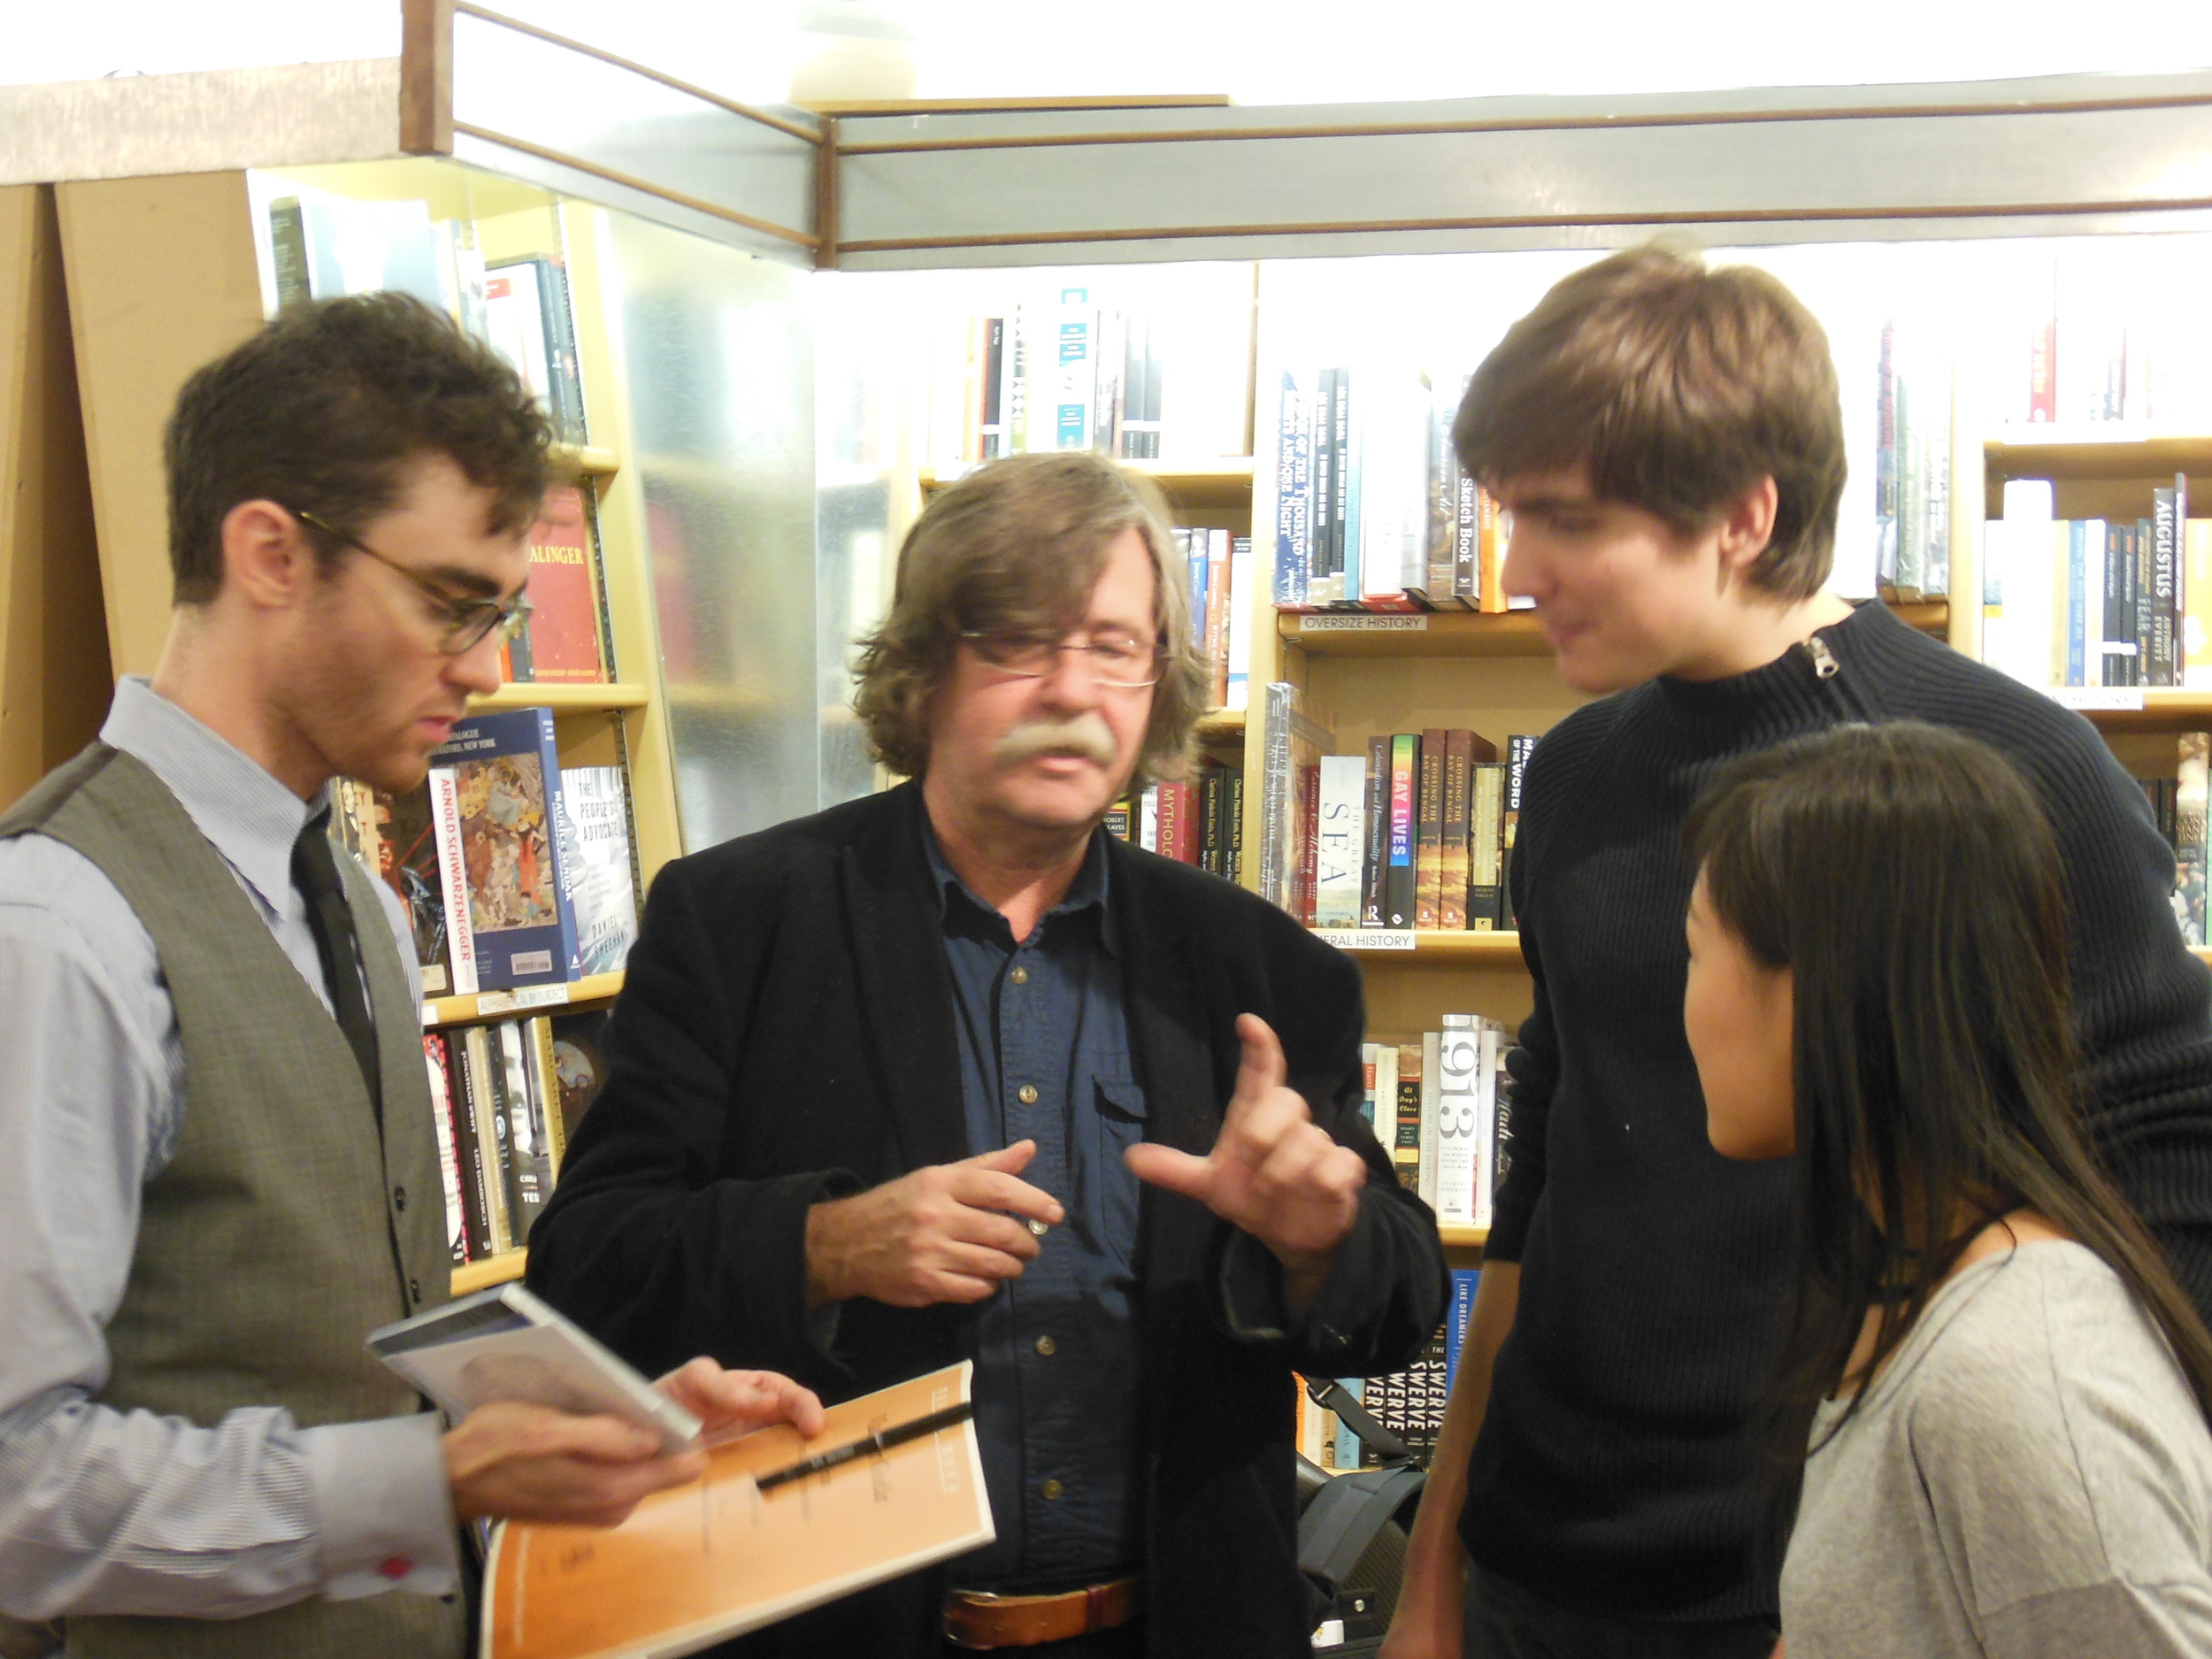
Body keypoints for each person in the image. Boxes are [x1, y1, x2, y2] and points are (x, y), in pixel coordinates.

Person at [1379, 244, 2212, 1659]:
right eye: (1511, 515)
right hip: (1539, 1559)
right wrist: (1437, 1564)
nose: (1518, 572)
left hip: (1816, 1583)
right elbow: (1551, 1172)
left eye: (1565, 520)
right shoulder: (1576, 776)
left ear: (1744, 515)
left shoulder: (2001, 773)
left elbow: (2171, 1191)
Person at [0, 294, 824, 1659]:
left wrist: (591, 1422)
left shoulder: (365, 896)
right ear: (270, 551)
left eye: (497, 611)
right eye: (448, 603)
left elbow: (338, 1351)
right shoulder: (59, 923)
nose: (488, 668)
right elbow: (19, 1484)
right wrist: (425, 1481)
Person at [526, 449, 1451, 1658]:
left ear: (1160, 676)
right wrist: (825, 1243)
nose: (1074, 690)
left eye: (1117, 646)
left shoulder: (1264, 971)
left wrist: (1320, 1238)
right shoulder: (739, 920)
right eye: (1019, 640)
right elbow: (585, 1265)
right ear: (925, 666)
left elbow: (1403, 1307)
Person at [1685, 720, 2212, 1658]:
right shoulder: (1906, 1287)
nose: (1682, 1002)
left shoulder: (2014, 1375)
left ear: (1819, 989)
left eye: (1695, 951)